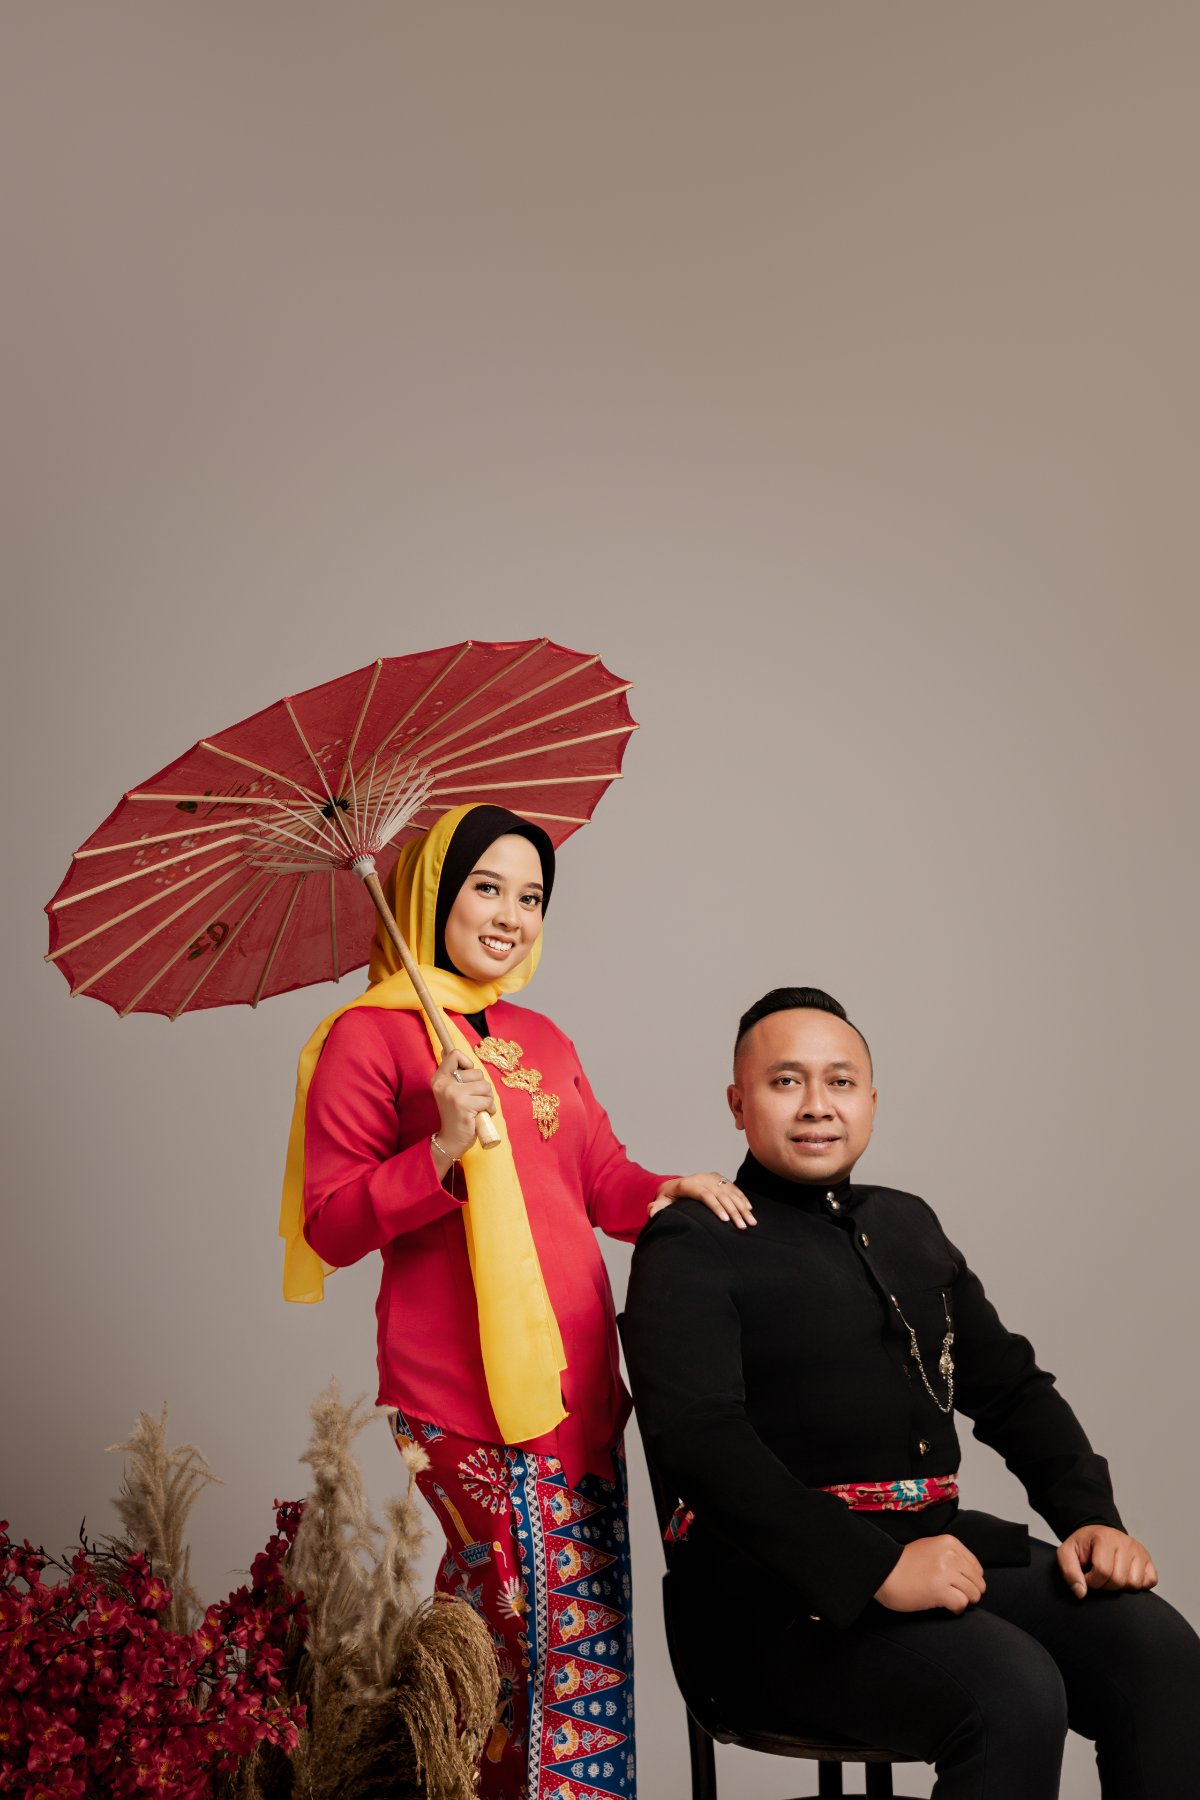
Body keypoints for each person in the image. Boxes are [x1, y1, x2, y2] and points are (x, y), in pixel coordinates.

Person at [277, 803, 753, 1800]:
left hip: (576, 1390)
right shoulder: (370, 1038)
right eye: (486, 888)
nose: (511, 915)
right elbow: (329, 1224)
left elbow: (601, 1179)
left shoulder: (542, 1035)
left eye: (531, 896)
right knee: (531, 1649)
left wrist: (670, 1188)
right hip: (461, 1394)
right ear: (434, 897)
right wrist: (441, 1147)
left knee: (571, 1645)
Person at [621, 985, 1200, 1799]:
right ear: (738, 1104)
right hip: (769, 1603)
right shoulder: (691, 1241)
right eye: (786, 1081)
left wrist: (1091, 1516)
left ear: (871, 1099)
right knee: (1012, 1691)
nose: (817, 1105)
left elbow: (1011, 1388)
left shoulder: (908, 1223)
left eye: (841, 1081)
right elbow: (698, 1441)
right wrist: (873, 1568)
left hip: (940, 1549)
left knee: (1159, 1653)